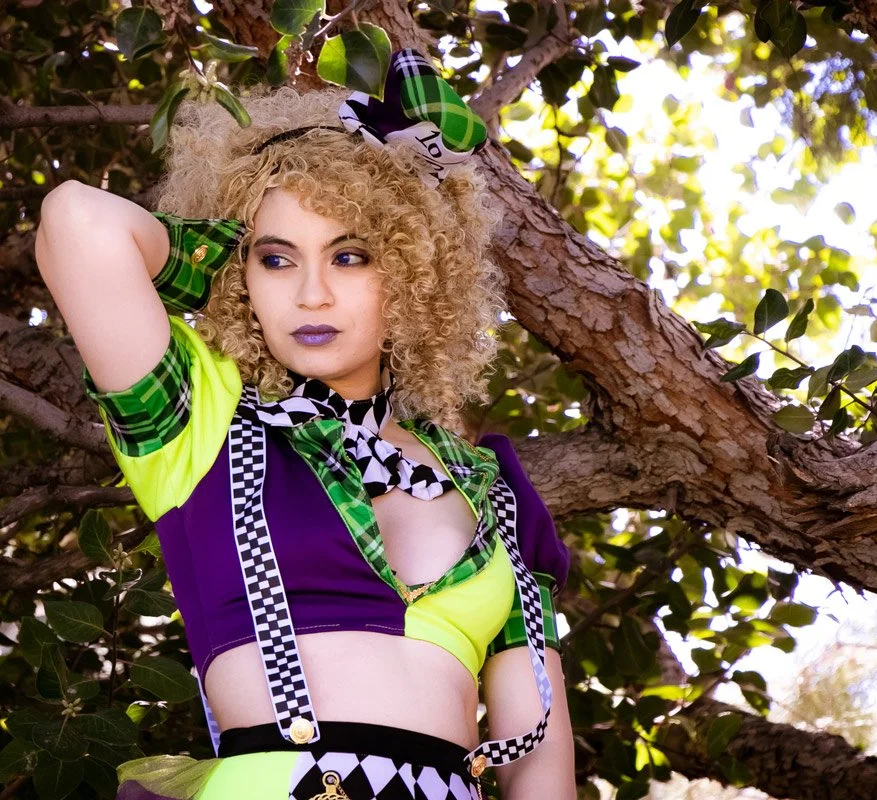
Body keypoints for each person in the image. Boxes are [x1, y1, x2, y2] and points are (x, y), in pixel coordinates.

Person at [35, 48, 574, 800]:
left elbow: (540, 766)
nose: (312, 294)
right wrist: (236, 242)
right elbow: (77, 222)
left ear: (412, 270)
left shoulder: (493, 488)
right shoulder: (200, 422)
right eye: (278, 260)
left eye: (351, 255)